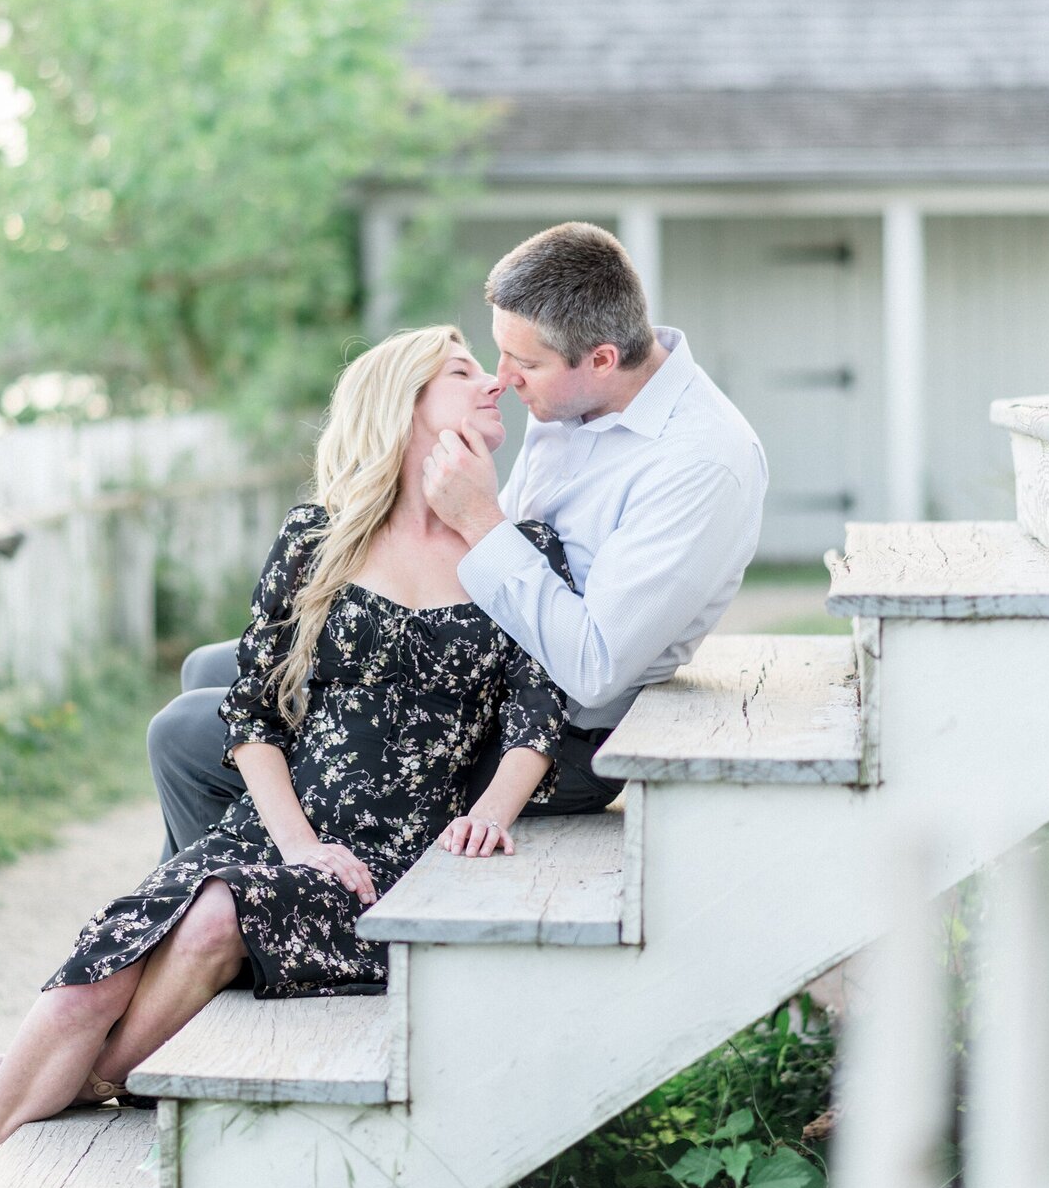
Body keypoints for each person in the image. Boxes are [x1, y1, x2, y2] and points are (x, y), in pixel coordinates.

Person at [0, 326, 568, 1152]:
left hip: (401, 865)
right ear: (404, 405)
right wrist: (300, 845)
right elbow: (253, 711)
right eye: (463, 372)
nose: (495, 384)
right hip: (286, 831)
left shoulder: (518, 551)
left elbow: (537, 710)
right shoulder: (319, 538)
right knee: (91, 979)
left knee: (211, 919)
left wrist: (490, 813)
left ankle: (94, 1077)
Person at [143, 222, 767, 862]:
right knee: (213, 671)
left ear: (602, 358)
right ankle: (207, 901)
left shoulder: (700, 462)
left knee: (192, 733)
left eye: (523, 364)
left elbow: (593, 667)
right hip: (490, 655)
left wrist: (477, 520)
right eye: (497, 354)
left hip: (562, 730)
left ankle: (236, 920)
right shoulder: (572, 399)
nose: (502, 380)